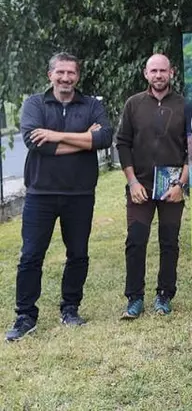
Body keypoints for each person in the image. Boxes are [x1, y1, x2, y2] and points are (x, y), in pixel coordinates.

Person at [5, 52, 113, 341]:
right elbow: (35, 143)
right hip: (41, 193)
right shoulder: (34, 104)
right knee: (30, 256)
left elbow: (104, 138)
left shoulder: (91, 105)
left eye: (71, 73)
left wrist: (53, 135)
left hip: (80, 194)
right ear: (49, 74)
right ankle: (26, 315)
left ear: (78, 76)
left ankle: (70, 308)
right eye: (60, 73)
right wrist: (83, 140)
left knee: (77, 254)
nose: (66, 78)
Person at [115, 53, 188, 319]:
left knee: (169, 242)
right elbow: (122, 143)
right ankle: (134, 298)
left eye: (163, 70)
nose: (158, 75)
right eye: (153, 70)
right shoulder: (133, 104)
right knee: (136, 241)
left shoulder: (184, 105)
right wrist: (132, 181)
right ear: (146, 73)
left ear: (171, 73)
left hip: (172, 187)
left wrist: (181, 184)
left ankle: (164, 295)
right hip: (141, 186)